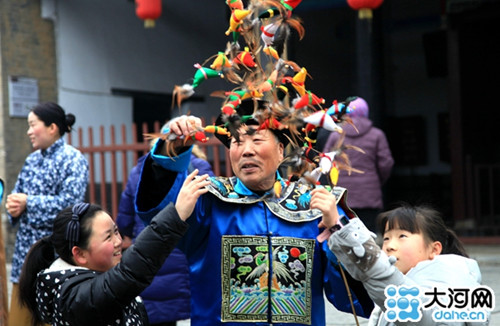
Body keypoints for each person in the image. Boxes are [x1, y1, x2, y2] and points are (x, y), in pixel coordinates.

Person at [134, 100, 374, 326]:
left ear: (281, 150)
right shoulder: (207, 200)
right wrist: (171, 150)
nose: (246, 150)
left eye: (257, 140)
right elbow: (156, 215)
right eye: (237, 142)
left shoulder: (314, 205)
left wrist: (337, 229)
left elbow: (358, 294)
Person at [17, 170, 210, 326]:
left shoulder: (95, 276)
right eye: (108, 237)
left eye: (116, 231)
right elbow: (130, 273)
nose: (118, 241)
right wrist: (176, 215)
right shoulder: (72, 297)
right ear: (80, 254)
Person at [323, 203, 491, 325]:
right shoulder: (407, 281)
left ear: (434, 249)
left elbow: (414, 310)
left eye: (402, 236)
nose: (389, 245)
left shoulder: (446, 291)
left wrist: (343, 231)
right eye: (387, 238)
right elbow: (360, 298)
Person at [5, 102, 89, 326]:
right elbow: (17, 196)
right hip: (25, 262)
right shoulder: (31, 160)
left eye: (33, 125)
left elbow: (70, 207)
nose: (29, 131)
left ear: (52, 127)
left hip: (55, 263)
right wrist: (13, 207)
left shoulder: (73, 159)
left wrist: (29, 203)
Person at [116, 144, 213, 326]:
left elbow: (125, 218)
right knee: (180, 311)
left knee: (153, 311)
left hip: (148, 250)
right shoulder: (199, 167)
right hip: (182, 253)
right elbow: (210, 211)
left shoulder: (141, 170)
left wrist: (129, 232)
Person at [323, 96, 394, 233]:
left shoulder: (336, 136)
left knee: (344, 234)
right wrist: (376, 181)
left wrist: (333, 183)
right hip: (369, 195)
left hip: (342, 195)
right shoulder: (376, 135)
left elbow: (325, 163)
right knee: (370, 234)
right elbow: (386, 163)